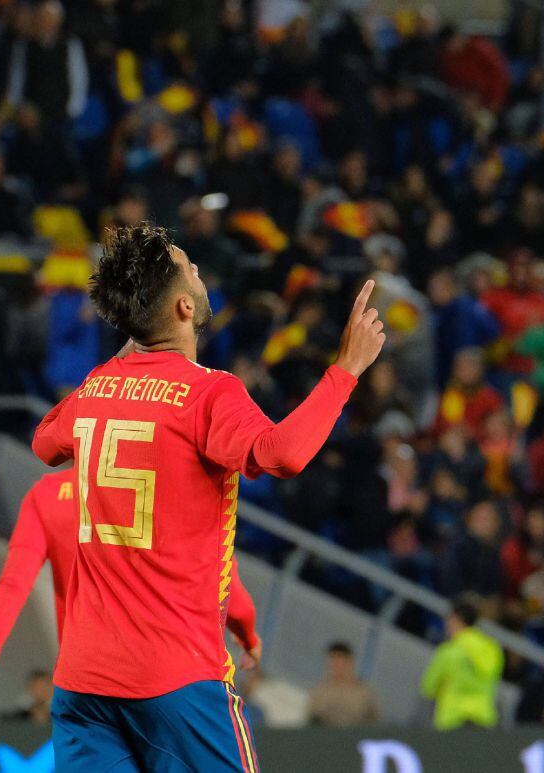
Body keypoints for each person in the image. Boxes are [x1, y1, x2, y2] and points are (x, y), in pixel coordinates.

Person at [30, 223, 385, 771]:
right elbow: (281, 453)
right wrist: (346, 370)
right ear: (181, 307)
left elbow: (44, 441)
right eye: (190, 269)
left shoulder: (98, 385)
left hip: (83, 685)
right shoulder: (208, 393)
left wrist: (130, 347)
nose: (200, 276)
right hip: (174, 679)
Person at [0, 468, 263, 743]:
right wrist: (248, 636)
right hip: (165, 684)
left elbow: (13, 586)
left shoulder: (46, 496)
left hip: (85, 689)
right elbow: (223, 580)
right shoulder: (168, 488)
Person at [419, 597, 504, 730]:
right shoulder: (492, 649)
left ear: (455, 619)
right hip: (483, 720)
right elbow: (493, 675)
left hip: (453, 721)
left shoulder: (448, 651)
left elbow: (429, 688)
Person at [307, 642, 380, 728]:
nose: (335, 665)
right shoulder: (320, 692)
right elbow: (312, 720)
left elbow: (374, 723)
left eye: (339, 660)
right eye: (332, 660)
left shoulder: (364, 694)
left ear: (349, 662)